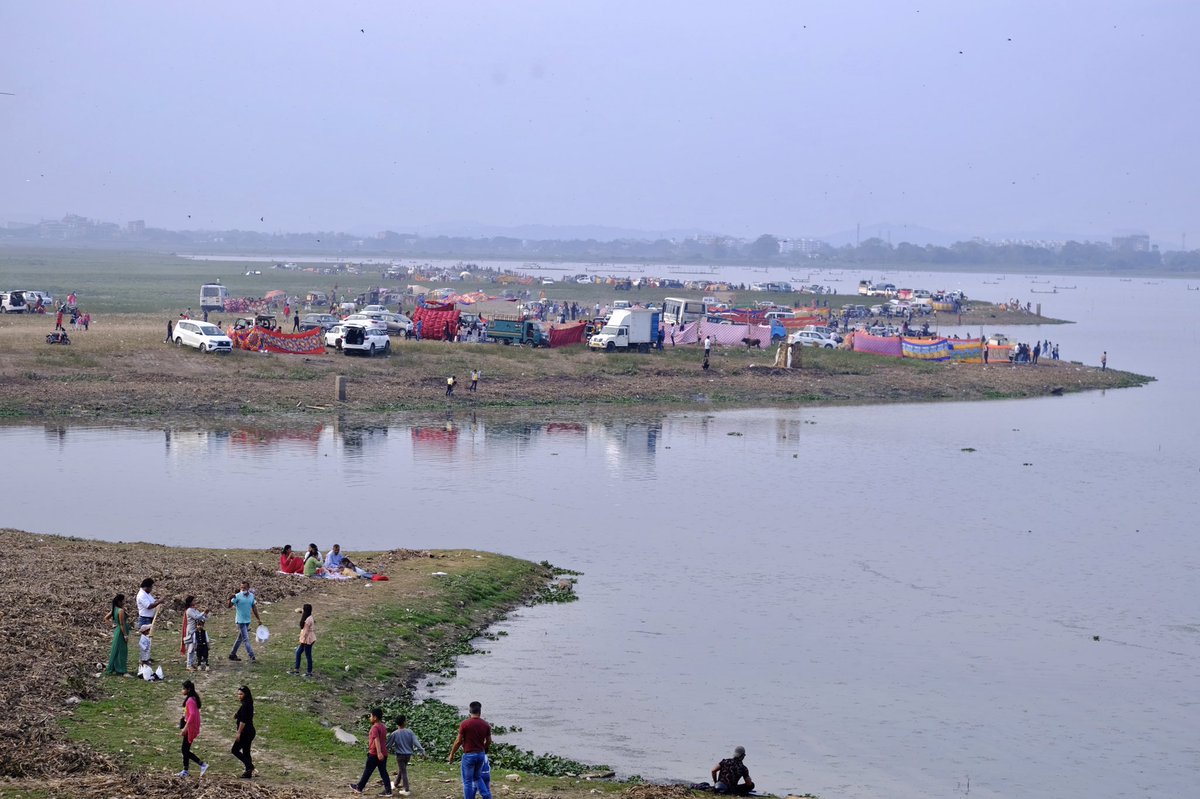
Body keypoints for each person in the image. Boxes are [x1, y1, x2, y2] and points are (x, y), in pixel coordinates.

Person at [447, 701, 492, 799]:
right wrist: (483, 748)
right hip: (480, 754)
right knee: (477, 777)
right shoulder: (485, 725)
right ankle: (487, 796)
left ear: (469, 711)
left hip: (469, 755)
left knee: (467, 781)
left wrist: (452, 754)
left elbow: (458, 741)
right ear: (480, 712)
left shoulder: (465, 724)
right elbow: (489, 741)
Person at [350, 707, 393, 795]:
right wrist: (381, 752)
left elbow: (376, 739)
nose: (370, 718)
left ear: (375, 717)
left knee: (368, 770)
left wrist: (378, 752)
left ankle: (359, 788)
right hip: (384, 753)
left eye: (371, 716)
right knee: (383, 772)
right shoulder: (383, 727)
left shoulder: (375, 727)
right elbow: (383, 740)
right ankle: (388, 791)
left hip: (375, 753)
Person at [388, 714, 426, 796]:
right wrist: (422, 751)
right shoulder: (410, 732)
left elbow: (389, 745)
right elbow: (416, 743)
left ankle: (406, 789)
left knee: (403, 771)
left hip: (400, 756)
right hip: (408, 755)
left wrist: (382, 751)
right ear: (404, 722)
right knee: (402, 770)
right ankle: (395, 784)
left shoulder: (394, 733)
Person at [177, 680, 208, 778]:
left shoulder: (190, 700)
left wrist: (185, 728)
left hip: (190, 727)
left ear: (188, 689)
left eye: (183, 689)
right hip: (191, 726)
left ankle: (202, 764)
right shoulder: (192, 699)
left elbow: (193, 715)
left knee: (184, 749)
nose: (182, 691)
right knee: (185, 749)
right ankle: (185, 770)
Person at [228, 580, 263, 662]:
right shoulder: (237, 596)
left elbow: (254, 608)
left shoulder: (251, 596)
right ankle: (252, 656)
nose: (242, 589)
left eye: (244, 587)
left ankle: (232, 654)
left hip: (247, 620)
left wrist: (258, 619)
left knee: (240, 638)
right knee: (246, 639)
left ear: (248, 588)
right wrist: (230, 598)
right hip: (240, 621)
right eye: (241, 587)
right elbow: (229, 606)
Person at [231, 685, 256, 779]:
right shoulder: (247, 704)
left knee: (234, 750)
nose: (239, 696)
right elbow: (242, 715)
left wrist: (238, 733)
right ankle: (248, 772)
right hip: (250, 731)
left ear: (246, 694)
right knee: (246, 752)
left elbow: (243, 721)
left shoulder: (246, 705)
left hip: (246, 732)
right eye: (238, 694)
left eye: (241, 694)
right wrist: (236, 715)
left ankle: (249, 766)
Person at [105, 594, 131, 676]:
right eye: (123, 600)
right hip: (120, 632)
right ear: (120, 601)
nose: (124, 602)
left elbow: (106, 618)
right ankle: (121, 669)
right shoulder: (120, 611)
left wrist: (112, 625)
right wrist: (125, 635)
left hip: (117, 631)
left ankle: (117, 667)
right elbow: (122, 624)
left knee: (117, 649)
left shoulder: (114, 609)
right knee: (122, 650)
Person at [182, 596, 209, 671]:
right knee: (190, 649)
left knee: (195, 648)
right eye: (194, 600)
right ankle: (189, 665)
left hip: (196, 631)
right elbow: (196, 617)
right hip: (191, 631)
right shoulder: (189, 610)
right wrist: (203, 613)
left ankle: (193, 662)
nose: (195, 601)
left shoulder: (194, 610)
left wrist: (205, 614)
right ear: (190, 602)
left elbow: (203, 618)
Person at [290, 603, 315, 676]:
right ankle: (298, 669)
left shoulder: (307, 620)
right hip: (309, 639)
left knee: (307, 655)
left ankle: (308, 672)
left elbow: (305, 633)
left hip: (307, 640)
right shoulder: (310, 617)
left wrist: (302, 641)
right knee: (299, 653)